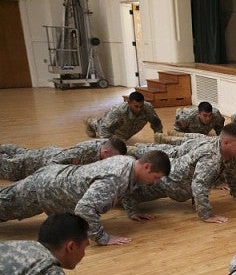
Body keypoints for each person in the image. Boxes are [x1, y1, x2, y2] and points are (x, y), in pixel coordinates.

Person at [0, 151, 170, 245]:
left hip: (53, 180)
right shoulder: (115, 178)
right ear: (147, 167)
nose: (154, 182)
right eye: (156, 177)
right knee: (4, 206)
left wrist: (131, 212)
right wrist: (103, 238)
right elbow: (84, 209)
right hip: (43, 189)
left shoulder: (129, 163)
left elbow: (127, 190)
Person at [122, 123, 236, 224]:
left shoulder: (228, 151)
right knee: (128, 194)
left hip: (176, 171)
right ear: (226, 143)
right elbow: (199, 185)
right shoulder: (211, 158)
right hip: (171, 182)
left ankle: (130, 155)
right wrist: (205, 215)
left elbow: (231, 171)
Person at [0, 137, 127, 181]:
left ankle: (5, 148)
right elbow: (54, 163)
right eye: (113, 157)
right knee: (11, 169)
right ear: (105, 152)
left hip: (50, 152)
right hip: (39, 161)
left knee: (22, 153)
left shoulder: (108, 145)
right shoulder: (83, 152)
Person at [84, 91, 163, 141]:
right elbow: (104, 129)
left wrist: (159, 139)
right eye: (136, 106)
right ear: (129, 102)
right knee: (100, 125)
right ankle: (90, 121)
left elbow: (156, 123)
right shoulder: (118, 110)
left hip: (125, 134)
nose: (139, 109)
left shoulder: (147, 107)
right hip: (114, 130)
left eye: (141, 106)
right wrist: (108, 145)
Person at [157, 101, 225, 142]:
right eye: (205, 115)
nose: (208, 118)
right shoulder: (187, 118)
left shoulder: (216, 115)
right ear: (199, 113)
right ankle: (180, 111)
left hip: (202, 130)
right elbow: (176, 132)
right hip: (186, 126)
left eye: (210, 115)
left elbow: (220, 130)